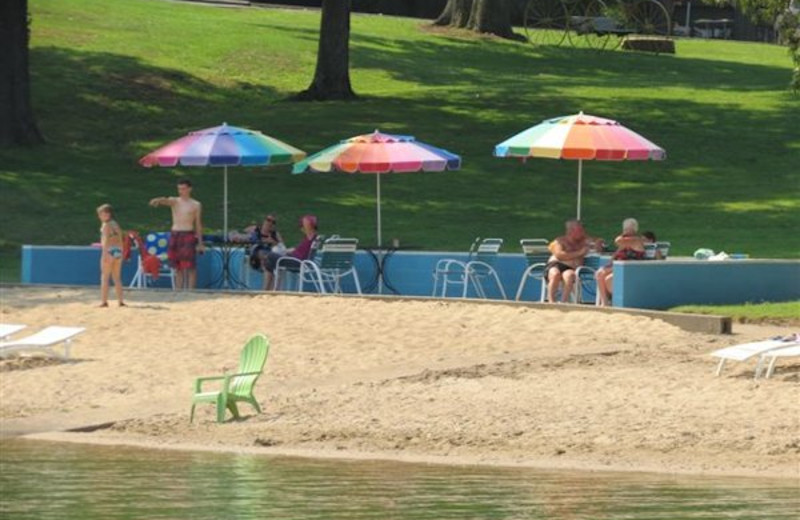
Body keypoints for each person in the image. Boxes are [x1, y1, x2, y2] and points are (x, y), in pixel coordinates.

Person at [149, 178, 204, 290]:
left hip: (188, 233)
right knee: (177, 266)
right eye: (179, 189)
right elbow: (167, 200)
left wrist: (200, 242)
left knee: (190, 266)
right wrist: (158, 200)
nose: (181, 191)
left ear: (189, 189)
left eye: (183, 189)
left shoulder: (196, 204)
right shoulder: (175, 201)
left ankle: (191, 291)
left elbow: (198, 224)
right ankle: (178, 290)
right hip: (176, 234)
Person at [595, 218, 647, 306]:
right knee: (599, 274)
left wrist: (623, 234)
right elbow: (616, 253)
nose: (625, 231)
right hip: (620, 266)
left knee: (608, 278)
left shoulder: (635, 240)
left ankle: (608, 302)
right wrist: (610, 263)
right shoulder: (626, 242)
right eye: (624, 228)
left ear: (634, 229)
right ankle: (604, 302)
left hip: (630, 267)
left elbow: (617, 240)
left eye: (627, 228)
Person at [262, 214, 318, 291]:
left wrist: (307, 221)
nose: (302, 226)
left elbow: (309, 229)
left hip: (297, 262)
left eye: (304, 224)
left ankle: (269, 289)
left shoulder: (311, 237)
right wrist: (288, 251)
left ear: (309, 226)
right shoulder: (309, 239)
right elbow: (300, 250)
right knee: (269, 262)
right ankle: (273, 289)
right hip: (295, 259)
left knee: (269, 256)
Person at [545, 219, 591, 303]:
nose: (583, 232)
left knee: (569, 276)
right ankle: (551, 300)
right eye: (580, 230)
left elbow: (599, 241)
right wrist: (579, 253)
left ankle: (564, 301)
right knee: (555, 274)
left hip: (570, 268)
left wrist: (599, 243)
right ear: (571, 231)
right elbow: (560, 255)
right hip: (556, 264)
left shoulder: (583, 241)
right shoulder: (559, 241)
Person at [97, 204, 125, 307]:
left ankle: (104, 301)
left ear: (107, 214)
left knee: (104, 277)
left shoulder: (106, 225)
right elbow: (121, 238)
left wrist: (104, 254)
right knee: (117, 277)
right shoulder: (115, 224)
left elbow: (105, 240)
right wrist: (121, 252)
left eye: (101, 214)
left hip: (109, 250)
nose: (100, 216)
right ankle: (120, 301)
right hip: (118, 250)